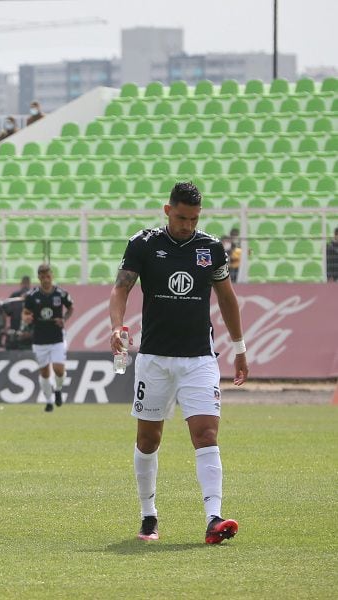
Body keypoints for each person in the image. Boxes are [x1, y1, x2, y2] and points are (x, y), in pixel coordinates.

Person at [109, 181, 247, 545]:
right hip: (154, 359)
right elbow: (121, 287)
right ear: (167, 210)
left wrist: (239, 346)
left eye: (194, 218)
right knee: (148, 440)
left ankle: (213, 518)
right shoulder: (144, 243)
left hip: (199, 358)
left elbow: (228, 299)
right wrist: (116, 326)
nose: (188, 224)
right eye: (182, 217)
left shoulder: (211, 248)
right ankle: (148, 516)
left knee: (205, 435)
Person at [22, 264, 74, 412]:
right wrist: (26, 318)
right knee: (44, 372)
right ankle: (49, 401)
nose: (46, 279)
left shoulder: (61, 293)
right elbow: (25, 312)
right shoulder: (32, 296)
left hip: (57, 337)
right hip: (39, 338)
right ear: (39, 277)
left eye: (48, 276)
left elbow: (71, 307)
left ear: (52, 275)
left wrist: (64, 319)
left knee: (58, 369)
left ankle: (58, 389)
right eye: (42, 276)